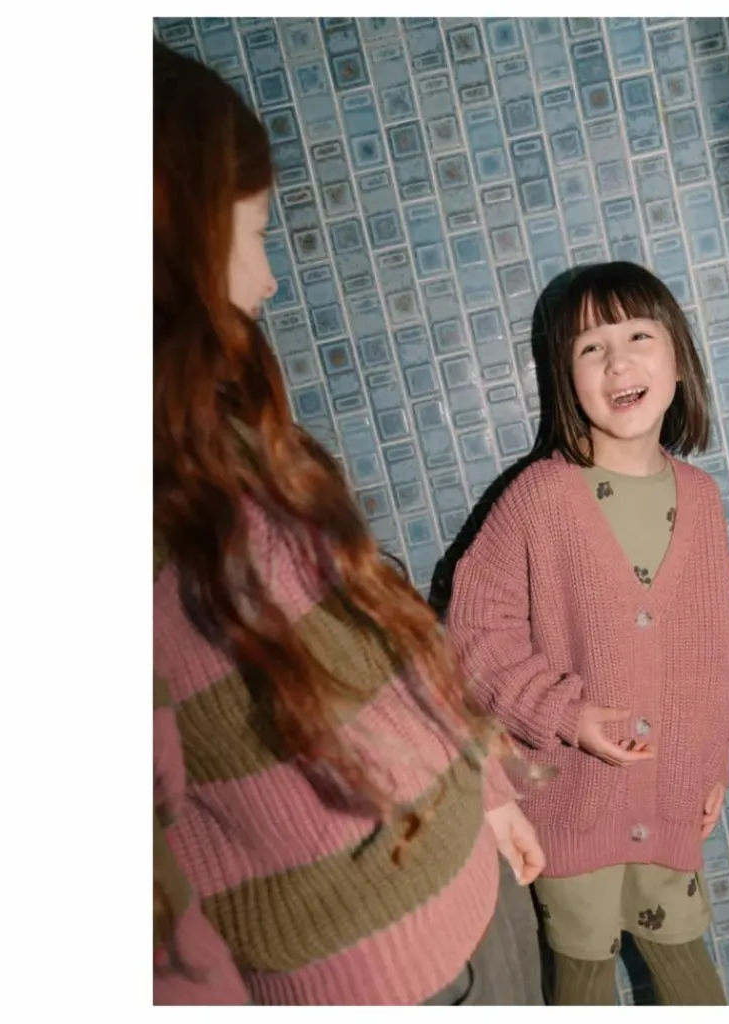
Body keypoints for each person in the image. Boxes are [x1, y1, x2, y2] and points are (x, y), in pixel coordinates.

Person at [152, 40, 545, 1006]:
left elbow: (379, 642)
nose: (269, 281)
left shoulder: (228, 436)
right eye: (252, 235)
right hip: (371, 981)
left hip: (478, 894)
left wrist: (485, 791)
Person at [445, 261, 729, 1006]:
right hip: (569, 805)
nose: (618, 362)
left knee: (689, 976)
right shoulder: (540, 497)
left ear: (678, 357)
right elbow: (472, 636)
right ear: (566, 378)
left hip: (671, 796)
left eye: (639, 336)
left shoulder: (703, 498)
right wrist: (563, 714)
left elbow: (722, 649)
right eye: (591, 347)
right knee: (582, 981)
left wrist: (713, 758)